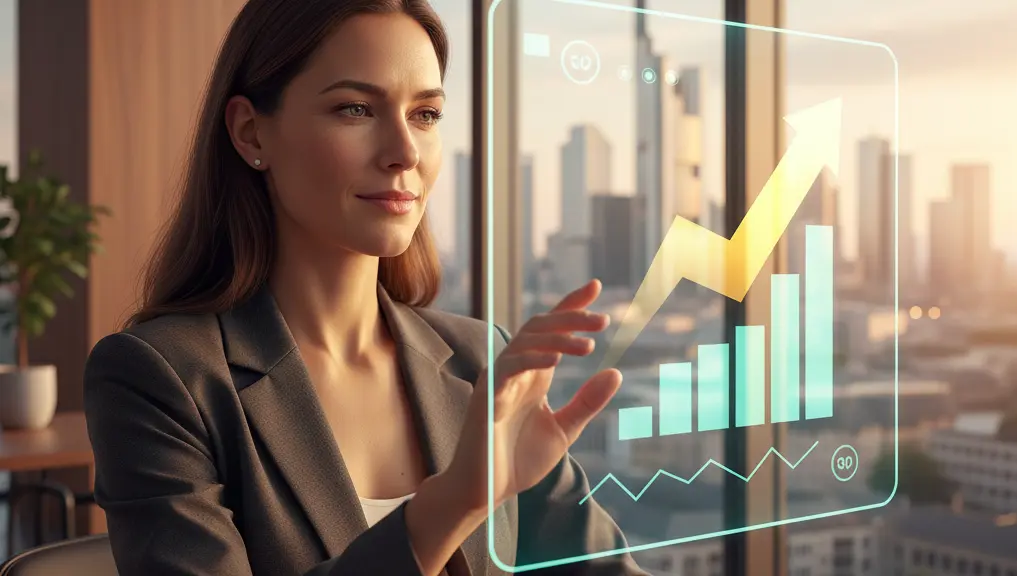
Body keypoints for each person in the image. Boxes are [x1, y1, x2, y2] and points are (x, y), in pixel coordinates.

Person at [83, 0, 649, 574]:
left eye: (425, 114)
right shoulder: (162, 379)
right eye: (356, 109)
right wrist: (454, 502)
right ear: (251, 133)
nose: (405, 153)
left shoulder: (483, 362)